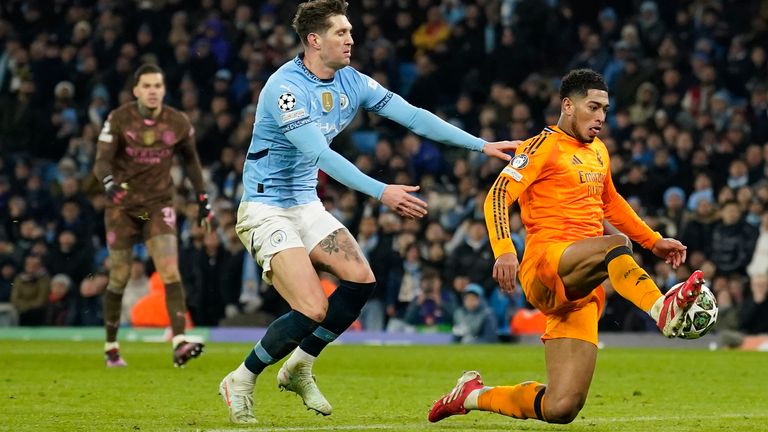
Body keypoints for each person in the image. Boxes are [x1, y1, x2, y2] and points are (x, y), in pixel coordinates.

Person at [217, 0, 518, 424]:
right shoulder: (285, 89)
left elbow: (412, 116)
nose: (351, 39)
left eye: (351, 31)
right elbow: (321, 153)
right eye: (341, 32)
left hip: (305, 204)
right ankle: (242, 378)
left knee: (361, 281)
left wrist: (481, 145)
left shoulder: (352, 81)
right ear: (314, 40)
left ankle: (300, 364)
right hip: (266, 208)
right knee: (311, 308)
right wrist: (382, 192)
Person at [428, 69, 705, 425]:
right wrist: (504, 249)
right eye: (593, 107)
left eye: (605, 109)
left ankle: (472, 395)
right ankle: (661, 307)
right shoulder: (541, 146)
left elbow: (612, 203)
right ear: (568, 106)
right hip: (547, 264)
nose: (601, 117)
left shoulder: (599, 151)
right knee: (615, 245)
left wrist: (653, 241)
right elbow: (497, 195)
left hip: (582, 288)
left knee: (562, 407)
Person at [93, 63, 212, 368]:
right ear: (136, 91)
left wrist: (202, 198)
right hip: (123, 207)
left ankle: (180, 343)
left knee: (170, 271)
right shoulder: (119, 118)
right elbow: (101, 161)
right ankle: (111, 345)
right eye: (146, 86)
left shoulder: (178, 121)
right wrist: (108, 184)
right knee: (118, 276)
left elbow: (191, 161)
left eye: (157, 86)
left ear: (163, 89)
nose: (153, 91)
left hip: (158, 206)